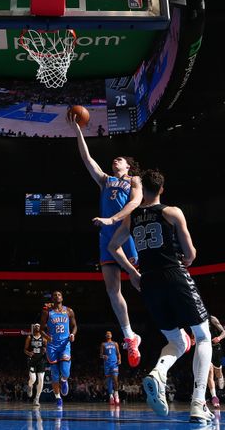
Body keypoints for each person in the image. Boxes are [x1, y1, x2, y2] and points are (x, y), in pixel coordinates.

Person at [108, 169, 213, 423]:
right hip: (173, 274)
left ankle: (158, 373)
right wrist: (185, 257)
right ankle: (198, 403)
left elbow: (113, 247)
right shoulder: (172, 212)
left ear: (142, 189)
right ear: (162, 190)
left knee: (178, 341)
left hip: (149, 283)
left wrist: (132, 273)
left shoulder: (131, 218)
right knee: (203, 336)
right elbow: (190, 255)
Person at [71, 119, 143, 367]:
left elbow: (135, 203)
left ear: (128, 166)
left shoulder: (133, 181)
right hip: (105, 236)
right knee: (113, 291)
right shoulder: (105, 180)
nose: (115, 161)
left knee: (140, 284)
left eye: (119, 159)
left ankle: (174, 321)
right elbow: (87, 158)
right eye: (114, 160)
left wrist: (112, 218)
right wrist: (79, 132)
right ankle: (130, 336)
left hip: (124, 233)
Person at [41, 291, 77, 409]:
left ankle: (64, 379)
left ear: (62, 298)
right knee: (54, 374)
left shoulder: (69, 311)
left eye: (59, 295)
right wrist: (47, 337)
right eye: (55, 295)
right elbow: (41, 329)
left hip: (65, 344)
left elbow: (75, 326)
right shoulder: (47, 311)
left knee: (65, 371)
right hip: (52, 345)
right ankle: (58, 398)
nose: (57, 296)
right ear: (52, 298)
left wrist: (72, 334)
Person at [24, 323, 47, 406]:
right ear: (33, 328)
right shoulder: (30, 337)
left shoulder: (44, 338)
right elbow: (25, 350)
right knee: (33, 379)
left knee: (41, 379)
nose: (37, 327)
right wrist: (28, 353)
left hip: (41, 360)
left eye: (38, 326)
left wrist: (45, 350)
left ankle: (37, 398)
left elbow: (47, 348)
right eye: (35, 326)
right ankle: (30, 386)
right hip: (32, 360)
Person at [207, 315, 225, 408]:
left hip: (216, 348)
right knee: (209, 372)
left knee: (218, 373)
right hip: (206, 348)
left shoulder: (212, 319)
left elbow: (224, 332)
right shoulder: (197, 320)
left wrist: (219, 338)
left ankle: (220, 377)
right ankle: (214, 397)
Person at [101, 331, 122, 405]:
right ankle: (111, 396)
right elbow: (101, 355)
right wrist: (103, 356)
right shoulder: (103, 344)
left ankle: (116, 394)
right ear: (105, 335)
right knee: (109, 381)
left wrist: (119, 359)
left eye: (109, 333)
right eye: (107, 333)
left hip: (114, 363)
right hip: (107, 364)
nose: (108, 334)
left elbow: (118, 353)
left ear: (111, 335)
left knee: (115, 379)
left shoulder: (115, 343)